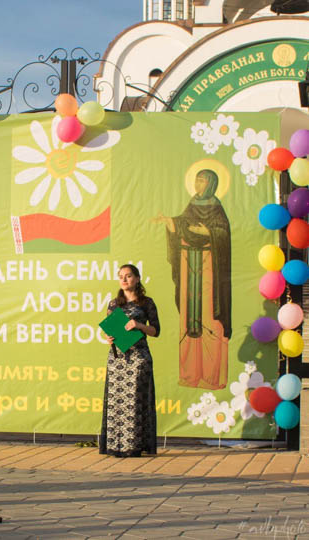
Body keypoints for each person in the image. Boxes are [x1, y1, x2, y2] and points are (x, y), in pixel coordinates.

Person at [151, 168, 231, 390]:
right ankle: (190, 375)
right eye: (196, 181)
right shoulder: (192, 203)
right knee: (188, 317)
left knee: (208, 318)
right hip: (188, 265)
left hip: (208, 269)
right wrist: (169, 222)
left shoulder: (217, 208)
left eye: (202, 181)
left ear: (212, 184)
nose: (198, 185)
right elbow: (183, 225)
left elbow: (223, 234)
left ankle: (212, 377)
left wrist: (209, 234)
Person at [100, 264, 160, 458]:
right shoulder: (114, 304)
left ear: (137, 278)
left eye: (128, 276)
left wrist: (139, 325)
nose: (124, 280)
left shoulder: (146, 303)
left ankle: (133, 446)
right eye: (121, 276)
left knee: (134, 401)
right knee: (117, 401)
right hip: (117, 358)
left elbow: (156, 331)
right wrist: (107, 338)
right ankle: (116, 445)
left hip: (138, 358)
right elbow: (108, 330)